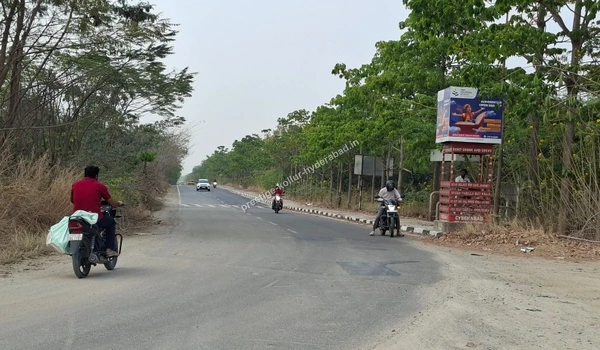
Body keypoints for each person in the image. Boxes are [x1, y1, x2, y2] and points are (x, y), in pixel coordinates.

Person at [71, 166, 123, 257]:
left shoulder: (75, 185)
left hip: (78, 217)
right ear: (96, 175)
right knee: (111, 222)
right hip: (93, 218)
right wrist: (119, 203)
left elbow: (72, 200)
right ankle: (109, 250)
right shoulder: (99, 186)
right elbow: (112, 203)